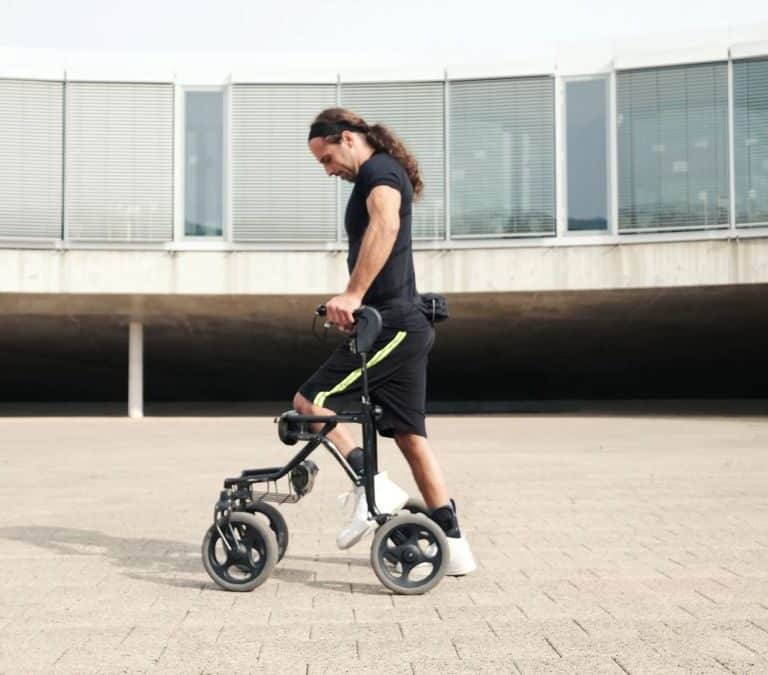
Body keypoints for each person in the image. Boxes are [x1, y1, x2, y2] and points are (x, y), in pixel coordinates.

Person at [293, 107, 476, 576]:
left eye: (326, 158)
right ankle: (454, 546)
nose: (327, 171)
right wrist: (358, 308)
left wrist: (353, 295)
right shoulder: (378, 173)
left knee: (311, 403)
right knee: (411, 437)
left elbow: (386, 225)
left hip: (394, 325)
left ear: (348, 138)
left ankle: (371, 483)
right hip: (401, 323)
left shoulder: (379, 173)